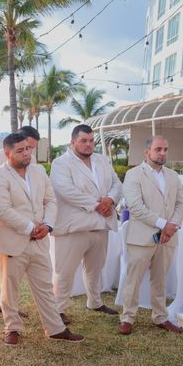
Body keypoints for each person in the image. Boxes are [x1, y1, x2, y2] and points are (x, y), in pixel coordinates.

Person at [0, 133, 84, 345]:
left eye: (28, 149)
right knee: (9, 288)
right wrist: (31, 227)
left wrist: (48, 225)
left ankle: (55, 328)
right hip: (12, 241)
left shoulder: (39, 171)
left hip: (40, 241)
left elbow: (50, 200)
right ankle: (12, 328)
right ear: (7, 153)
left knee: (45, 287)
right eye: (20, 150)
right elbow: (2, 210)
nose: (26, 153)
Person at [50, 124, 122, 324]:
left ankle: (95, 302)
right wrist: (97, 205)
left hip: (100, 225)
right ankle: (58, 309)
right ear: (73, 142)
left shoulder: (101, 160)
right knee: (65, 271)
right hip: (73, 227)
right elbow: (65, 190)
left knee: (96, 268)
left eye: (91, 140)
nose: (88, 144)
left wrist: (110, 199)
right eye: (83, 141)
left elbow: (117, 183)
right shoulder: (61, 163)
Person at [118, 135, 183, 335]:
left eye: (165, 149)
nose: (163, 153)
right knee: (133, 279)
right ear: (147, 152)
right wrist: (164, 224)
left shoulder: (173, 175)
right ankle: (127, 317)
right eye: (158, 149)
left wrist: (172, 225)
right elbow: (136, 207)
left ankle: (161, 317)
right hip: (141, 237)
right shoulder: (133, 174)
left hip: (168, 237)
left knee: (161, 279)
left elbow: (180, 204)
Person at [0, 125, 40, 324]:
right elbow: (0, 192)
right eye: (26, 147)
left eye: (31, 148)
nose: (29, 152)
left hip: (27, 227)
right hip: (6, 226)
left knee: (14, 275)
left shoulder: (32, 158)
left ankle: (10, 305)